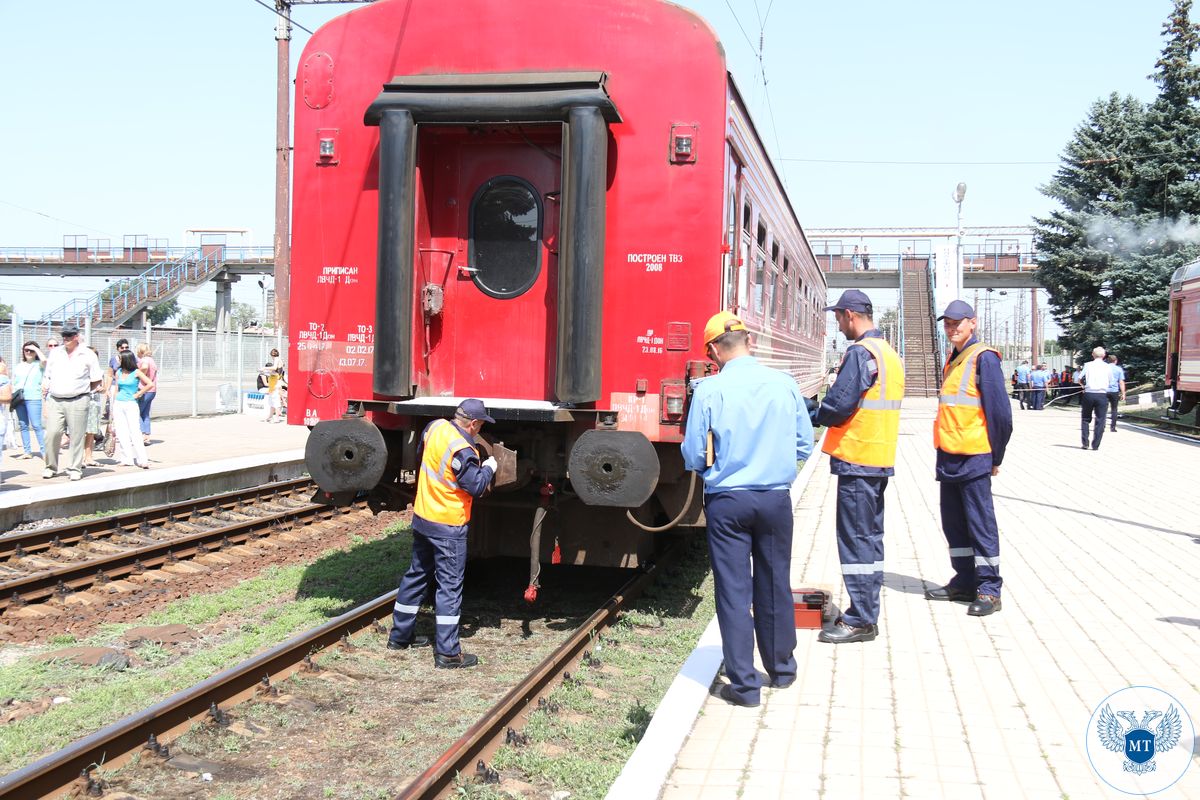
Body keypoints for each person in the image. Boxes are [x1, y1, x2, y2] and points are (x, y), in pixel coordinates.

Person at [682, 311, 813, 705]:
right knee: (775, 583)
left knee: (734, 591)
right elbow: (804, 443)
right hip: (775, 499)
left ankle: (744, 686)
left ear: (712, 352)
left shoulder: (708, 390)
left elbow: (692, 454)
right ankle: (782, 669)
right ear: (749, 341)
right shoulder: (784, 384)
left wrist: (712, 468)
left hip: (728, 502)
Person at [812, 290, 903, 644]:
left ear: (850, 315)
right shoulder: (889, 354)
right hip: (878, 459)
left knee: (855, 542)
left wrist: (817, 411)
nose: (838, 325)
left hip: (857, 460)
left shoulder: (861, 353)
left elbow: (840, 404)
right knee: (870, 540)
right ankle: (866, 612)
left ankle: (861, 619)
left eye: (838, 318)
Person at [388, 399, 499, 669]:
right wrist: (490, 467)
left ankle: (399, 638)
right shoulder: (463, 450)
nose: (480, 429)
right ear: (472, 423)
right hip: (448, 526)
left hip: (424, 517)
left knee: (417, 576)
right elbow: (476, 486)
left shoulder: (435, 427)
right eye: (481, 424)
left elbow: (423, 455)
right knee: (449, 587)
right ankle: (448, 653)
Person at [925, 301, 1012, 617]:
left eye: (957, 323)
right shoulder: (954, 358)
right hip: (949, 453)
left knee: (980, 523)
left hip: (975, 455)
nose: (951, 328)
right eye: (947, 323)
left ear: (972, 323)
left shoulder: (984, 358)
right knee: (955, 524)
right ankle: (964, 580)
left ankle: (989, 590)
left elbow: (1000, 413)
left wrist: (996, 455)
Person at [41, 324, 103, 480]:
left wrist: (83, 391)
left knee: (77, 436)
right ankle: (50, 466)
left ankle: (74, 468)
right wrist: (46, 389)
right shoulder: (55, 353)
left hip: (79, 399)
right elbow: (47, 375)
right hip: (56, 398)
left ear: (76, 337)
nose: (66, 339)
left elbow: (96, 379)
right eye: (64, 336)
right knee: (52, 434)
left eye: (69, 336)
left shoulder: (88, 354)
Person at [12, 341, 47, 459]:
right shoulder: (19, 365)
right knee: (23, 425)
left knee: (36, 425)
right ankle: (27, 451)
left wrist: (35, 349)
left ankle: (45, 451)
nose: (28, 352)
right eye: (26, 350)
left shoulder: (39, 364)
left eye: (31, 350)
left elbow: (44, 360)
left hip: (33, 397)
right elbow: (14, 381)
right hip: (19, 398)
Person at [1075, 346, 1113, 450]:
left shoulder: (1087, 365)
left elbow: (1079, 379)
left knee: (1086, 418)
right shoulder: (1107, 367)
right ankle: (1095, 444)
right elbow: (1111, 380)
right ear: (1104, 355)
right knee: (1100, 419)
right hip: (1102, 394)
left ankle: (1085, 442)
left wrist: (1083, 386)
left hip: (1089, 393)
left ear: (1092, 355)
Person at [135, 343, 158, 445]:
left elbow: (144, 367)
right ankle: (147, 436)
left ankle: (142, 434)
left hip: (144, 389)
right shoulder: (152, 360)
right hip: (152, 390)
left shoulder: (144, 360)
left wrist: (138, 373)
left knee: (137, 412)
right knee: (145, 414)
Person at [1105, 354, 1126, 432]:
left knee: (1104, 409)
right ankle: (1113, 427)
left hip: (1104, 390)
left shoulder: (1104, 368)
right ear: (1115, 361)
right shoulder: (1119, 369)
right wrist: (1123, 393)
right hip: (1114, 391)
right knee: (1114, 409)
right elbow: (1121, 382)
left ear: (1108, 361)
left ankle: (1102, 425)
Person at [265, 348, 285, 423]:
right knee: (272, 402)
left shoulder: (277, 359)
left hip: (276, 384)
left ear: (272, 355)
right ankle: (270, 416)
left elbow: (275, 368)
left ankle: (276, 417)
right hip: (274, 384)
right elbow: (277, 371)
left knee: (276, 402)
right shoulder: (279, 360)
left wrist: (265, 368)